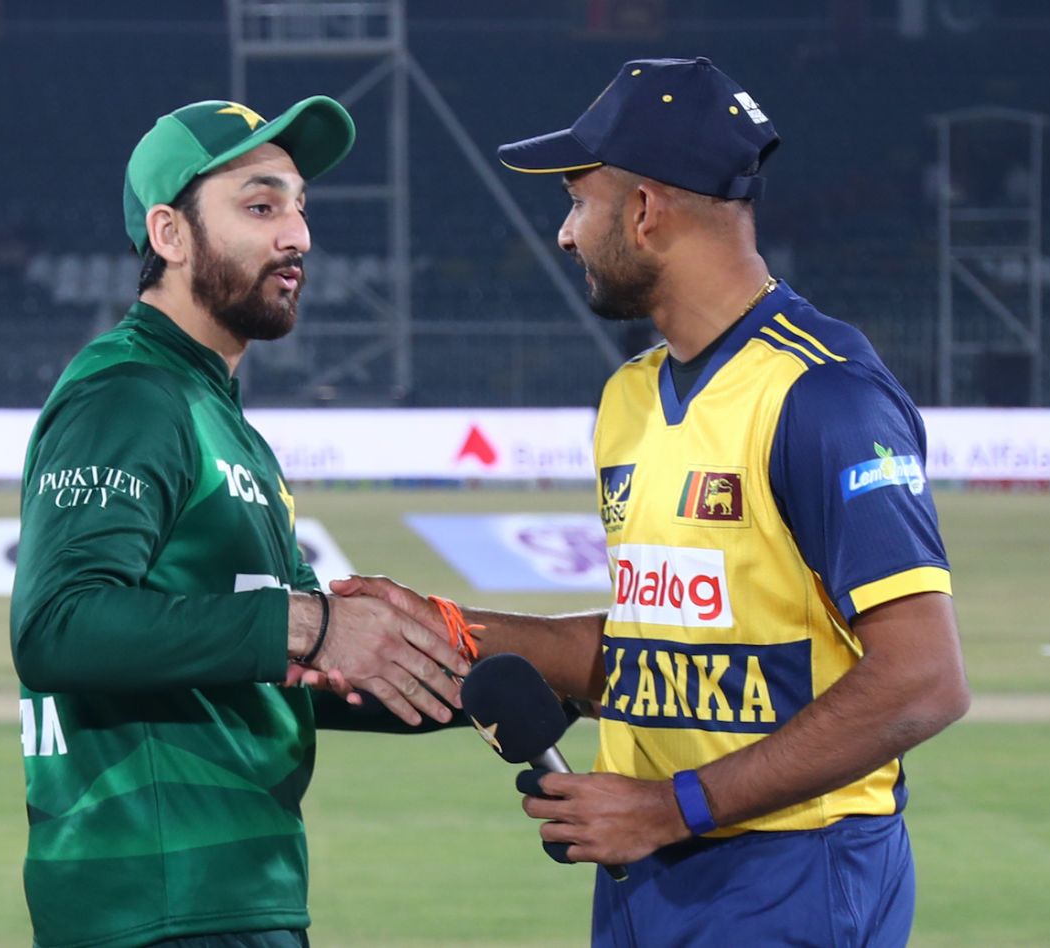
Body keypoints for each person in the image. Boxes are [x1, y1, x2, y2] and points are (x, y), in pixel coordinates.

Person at [334, 57, 970, 946]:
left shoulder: (822, 395)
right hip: (647, 876)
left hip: (795, 874)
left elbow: (923, 680)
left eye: (577, 202)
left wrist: (673, 807)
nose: (564, 235)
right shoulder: (629, 397)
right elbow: (655, 649)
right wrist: (445, 625)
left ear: (644, 210)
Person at [9, 96, 470, 948]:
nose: (296, 236)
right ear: (170, 235)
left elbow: (291, 667)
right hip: (160, 905)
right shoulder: (130, 394)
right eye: (260, 206)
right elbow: (58, 626)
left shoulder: (221, 419)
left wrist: (512, 684)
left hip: (229, 899)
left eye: (299, 206)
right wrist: (313, 624)